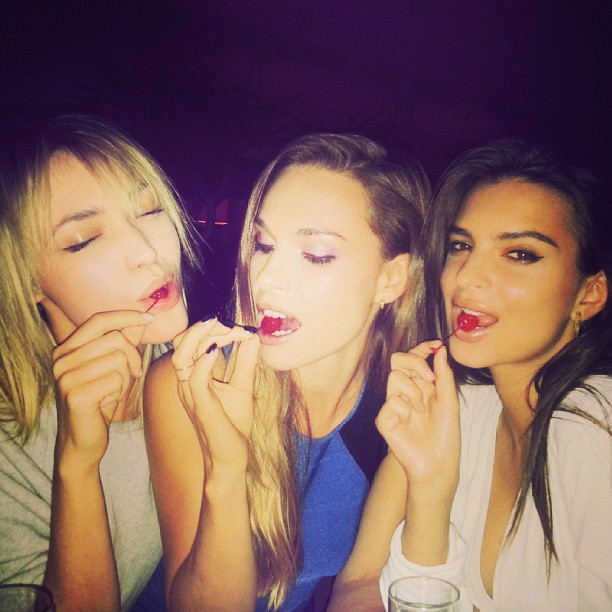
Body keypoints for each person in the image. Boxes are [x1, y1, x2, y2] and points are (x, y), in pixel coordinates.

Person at [144, 133, 430, 610]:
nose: (264, 279)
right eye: (263, 244)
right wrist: (227, 468)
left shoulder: (398, 404)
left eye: (316, 254)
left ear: (391, 279)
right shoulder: (193, 382)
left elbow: (363, 582)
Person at [329, 139, 612, 611]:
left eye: (519, 254)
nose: (465, 277)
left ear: (589, 295)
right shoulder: (452, 407)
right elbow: (359, 586)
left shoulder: (595, 425)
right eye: (460, 246)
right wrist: (430, 489)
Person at [0, 114, 199, 610]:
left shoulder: (188, 367)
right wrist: (78, 464)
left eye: (149, 209)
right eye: (84, 238)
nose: (148, 251)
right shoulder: (11, 447)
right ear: (28, 280)